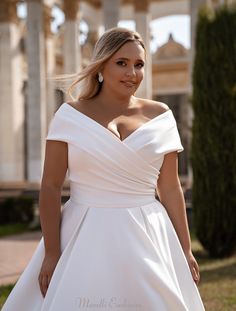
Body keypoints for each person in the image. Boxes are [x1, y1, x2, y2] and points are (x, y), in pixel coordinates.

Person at [2, 27, 205, 311]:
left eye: (139, 64)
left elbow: (169, 188)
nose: (131, 73)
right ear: (100, 66)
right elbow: (50, 186)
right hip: (83, 231)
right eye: (121, 63)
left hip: (149, 233)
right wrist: (51, 251)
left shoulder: (161, 116)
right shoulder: (69, 115)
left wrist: (184, 249)